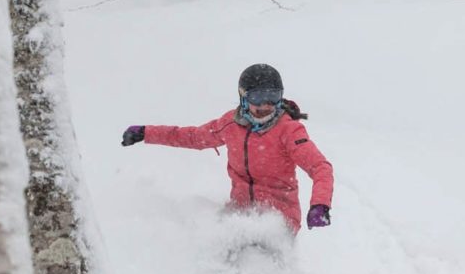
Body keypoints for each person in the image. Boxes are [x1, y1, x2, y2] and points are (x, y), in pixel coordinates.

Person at [120, 63, 333, 233]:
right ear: (243, 97)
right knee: (214, 240)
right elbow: (192, 137)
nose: (265, 105)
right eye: (257, 98)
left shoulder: (289, 131)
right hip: (239, 213)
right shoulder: (231, 125)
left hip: (279, 219)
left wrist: (320, 205)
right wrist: (146, 132)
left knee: (255, 251)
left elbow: (320, 167)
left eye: (273, 97)